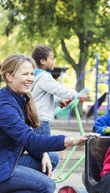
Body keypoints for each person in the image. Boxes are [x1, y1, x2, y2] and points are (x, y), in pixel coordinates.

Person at [0, 54, 99, 193]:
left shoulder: (18, 98)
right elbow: (29, 139)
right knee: (47, 187)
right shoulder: (5, 106)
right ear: (9, 76)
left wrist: (43, 153)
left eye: (31, 74)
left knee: (50, 158)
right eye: (25, 74)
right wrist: (71, 140)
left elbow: (27, 138)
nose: (30, 78)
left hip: (3, 160)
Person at [31, 45, 87, 175]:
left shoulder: (36, 76)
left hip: (35, 118)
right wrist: (77, 95)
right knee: (45, 151)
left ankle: (40, 174)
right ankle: (42, 176)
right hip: (42, 120)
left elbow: (45, 94)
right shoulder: (44, 76)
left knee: (41, 151)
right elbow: (58, 89)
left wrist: (59, 101)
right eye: (52, 58)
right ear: (43, 61)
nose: (54, 61)